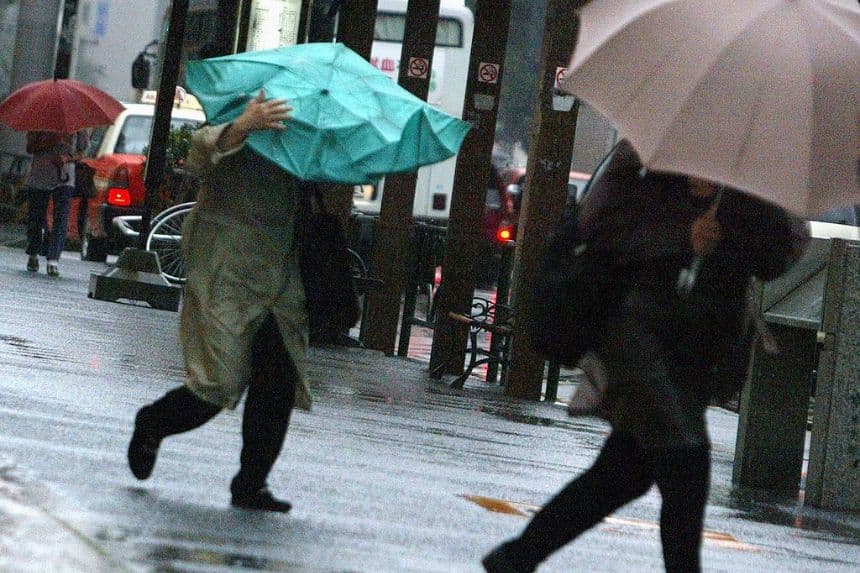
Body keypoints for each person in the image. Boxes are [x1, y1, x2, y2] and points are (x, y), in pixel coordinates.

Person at [482, 141, 809, 572]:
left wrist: (727, 214)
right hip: (636, 333)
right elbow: (599, 225)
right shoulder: (647, 150)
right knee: (688, 469)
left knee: (622, 476)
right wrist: (682, 230)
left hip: (694, 350)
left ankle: (515, 558)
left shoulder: (748, 171)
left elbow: (775, 255)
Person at [126, 90, 311, 512]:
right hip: (224, 269)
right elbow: (200, 152)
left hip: (280, 277)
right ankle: (154, 422)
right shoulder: (239, 119)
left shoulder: (302, 139)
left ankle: (252, 483)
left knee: (277, 382)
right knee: (219, 382)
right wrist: (244, 124)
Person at [24, 130, 88, 276]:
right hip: (40, 176)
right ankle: (33, 252)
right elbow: (30, 148)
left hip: (65, 178)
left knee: (61, 217)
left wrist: (67, 159)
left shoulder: (77, 126)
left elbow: (82, 153)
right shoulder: (39, 121)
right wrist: (50, 141)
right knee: (36, 217)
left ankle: (53, 259)